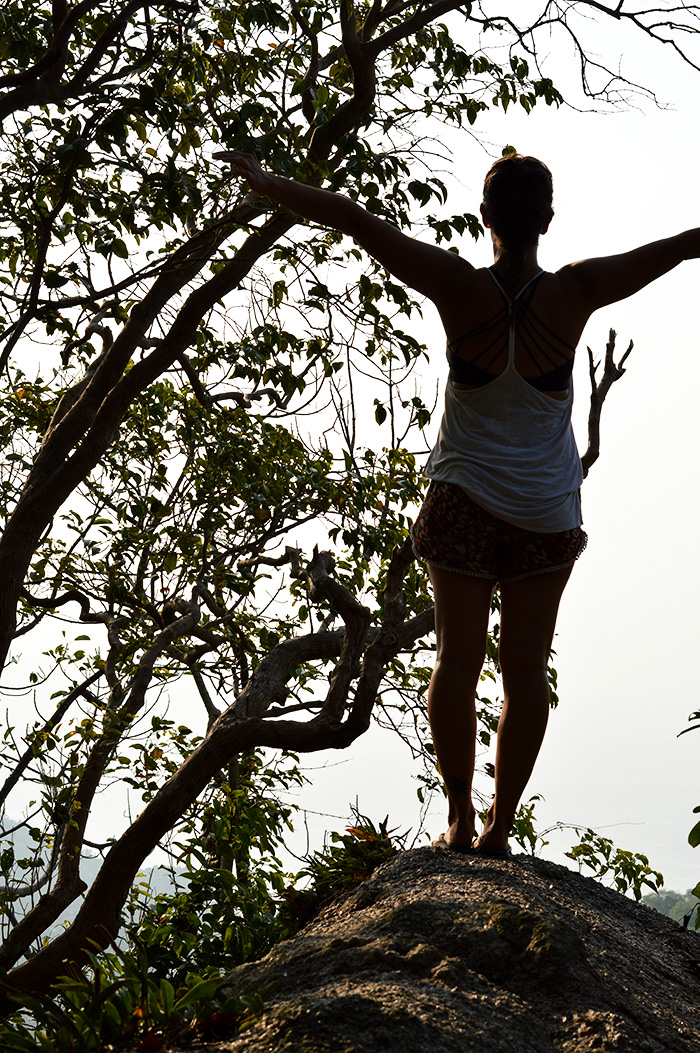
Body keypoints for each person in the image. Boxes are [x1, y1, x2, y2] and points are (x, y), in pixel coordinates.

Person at [215, 148, 700, 855]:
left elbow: (354, 219)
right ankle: (500, 828)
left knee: (456, 657)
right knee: (525, 668)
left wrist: (267, 182)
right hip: (545, 513)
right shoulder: (575, 291)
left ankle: (459, 819)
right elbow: (684, 246)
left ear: (485, 219)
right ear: (548, 219)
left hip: (464, 502)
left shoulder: (455, 285)